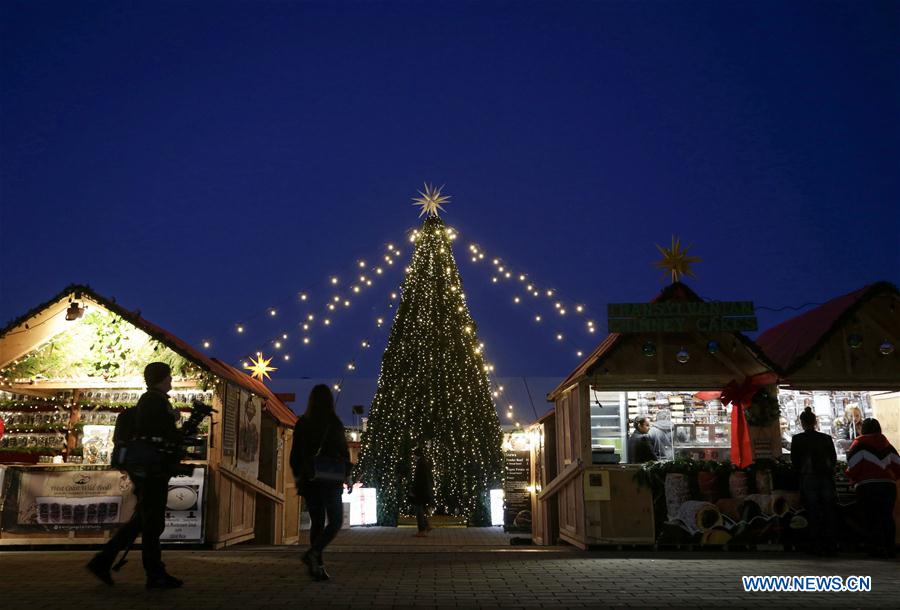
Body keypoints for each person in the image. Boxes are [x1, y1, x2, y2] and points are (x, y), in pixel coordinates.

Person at [86, 362, 184, 589]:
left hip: (146, 468)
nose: (171, 381)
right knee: (152, 522)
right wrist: (174, 423)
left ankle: (103, 561)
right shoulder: (155, 402)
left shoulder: (150, 401)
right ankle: (154, 573)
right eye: (169, 377)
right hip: (152, 470)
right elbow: (159, 434)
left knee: (142, 520)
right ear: (162, 379)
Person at [290, 384, 351, 581]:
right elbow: (343, 451)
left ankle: (317, 565)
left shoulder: (302, 423)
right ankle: (314, 554)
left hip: (310, 479)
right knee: (335, 521)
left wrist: (299, 476)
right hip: (330, 479)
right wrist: (347, 474)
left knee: (317, 522)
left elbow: (295, 455)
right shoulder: (334, 423)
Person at [846, 418, 900, 557]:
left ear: (863, 429)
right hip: (888, 486)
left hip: (866, 486)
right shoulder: (887, 445)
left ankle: (874, 548)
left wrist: (851, 477)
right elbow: (898, 466)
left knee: (869, 517)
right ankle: (890, 547)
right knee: (887, 517)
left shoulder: (858, 444)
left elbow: (853, 466)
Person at [790, 406, 838, 554]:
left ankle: (815, 543)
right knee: (828, 510)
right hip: (825, 478)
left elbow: (795, 461)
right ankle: (830, 544)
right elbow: (833, 459)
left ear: (802, 423)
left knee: (812, 510)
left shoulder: (797, 439)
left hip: (808, 478)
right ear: (815, 422)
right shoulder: (826, 438)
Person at [409, 446, 434, 536]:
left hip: (420, 491)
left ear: (417, 454)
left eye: (414, 454)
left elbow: (418, 479)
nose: (413, 456)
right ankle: (427, 526)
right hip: (424, 490)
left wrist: (413, 490)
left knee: (419, 510)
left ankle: (422, 530)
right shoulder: (424, 462)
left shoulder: (420, 464)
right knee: (421, 509)